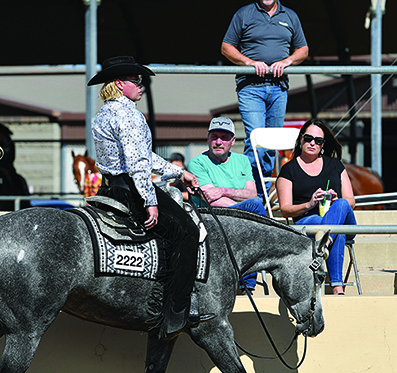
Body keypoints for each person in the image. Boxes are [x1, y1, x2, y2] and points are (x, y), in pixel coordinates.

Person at [88, 56, 215, 337]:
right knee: (187, 232)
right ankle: (177, 312)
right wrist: (150, 201)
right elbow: (137, 164)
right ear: (120, 84)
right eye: (136, 80)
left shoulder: (104, 113)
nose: (141, 85)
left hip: (111, 186)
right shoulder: (129, 115)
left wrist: (178, 173)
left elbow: (142, 156)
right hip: (131, 188)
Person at [221, 0, 308, 200]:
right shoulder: (244, 14)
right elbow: (226, 47)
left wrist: (288, 61)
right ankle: (251, 194)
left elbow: (303, 49)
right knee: (255, 139)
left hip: (278, 88)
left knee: (271, 144)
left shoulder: (290, 15)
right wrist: (249, 62)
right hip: (251, 87)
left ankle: (262, 194)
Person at [276, 118, 357, 295]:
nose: (312, 143)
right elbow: (285, 209)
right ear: (301, 139)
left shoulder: (335, 165)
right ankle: (337, 287)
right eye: (308, 138)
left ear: (323, 144)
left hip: (338, 215)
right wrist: (310, 203)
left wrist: (335, 200)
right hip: (308, 221)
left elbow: (351, 201)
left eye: (318, 141)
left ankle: (325, 241)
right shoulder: (289, 169)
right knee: (338, 230)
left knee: (343, 203)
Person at [188, 116, 267, 292]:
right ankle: (265, 256)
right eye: (214, 136)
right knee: (254, 206)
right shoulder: (197, 163)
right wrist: (241, 199)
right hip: (212, 219)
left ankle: (248, 282)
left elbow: (252, 193)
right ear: (207, 138)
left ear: (232, 141)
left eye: (224, 137)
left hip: (239, 219)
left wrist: (223, 190)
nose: (218, 141)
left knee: (254, 205)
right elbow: (211, 200)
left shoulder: (242, 161)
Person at [0, 123, 31, 211]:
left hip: (6, 165)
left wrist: (1, 161)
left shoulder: (9, 143)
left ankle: (14, 189)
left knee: (11, 177)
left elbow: (9, 157)